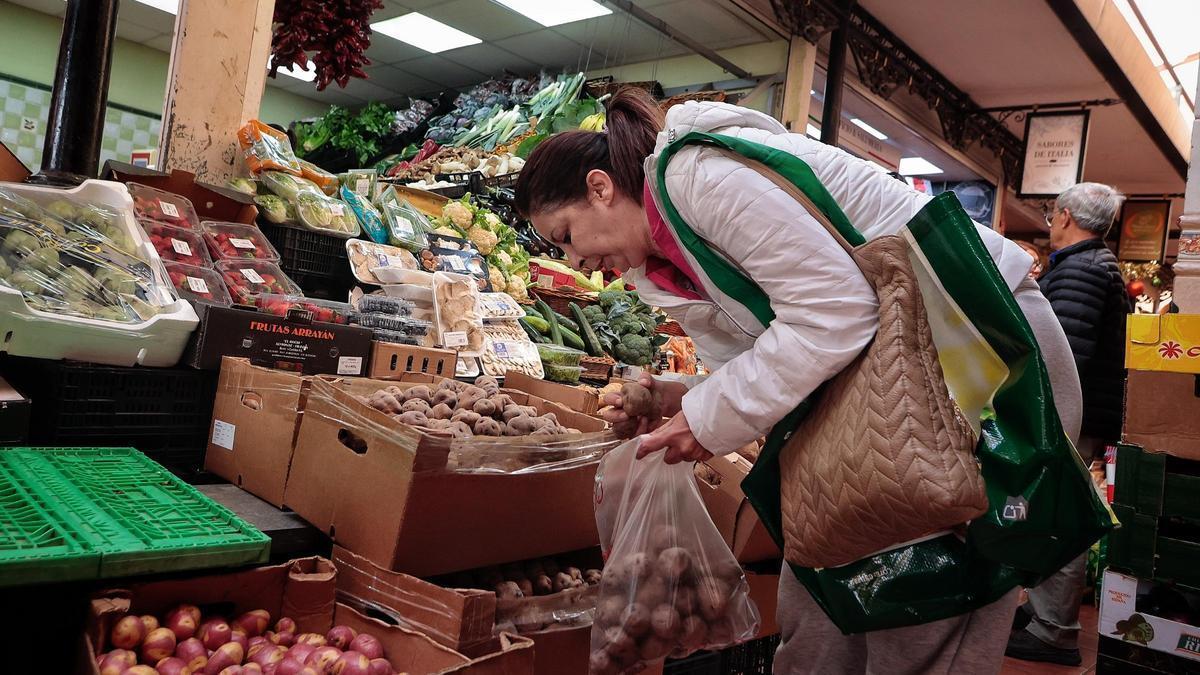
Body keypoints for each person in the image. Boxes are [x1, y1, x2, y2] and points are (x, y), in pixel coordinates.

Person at [514, 89, 1083, 674]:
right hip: (878, 378)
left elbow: (835, 312)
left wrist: (708, 419)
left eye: (564, 235)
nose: (574, 261)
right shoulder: (661, 265)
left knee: (924, 599)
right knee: (823, 578)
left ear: (600, 188)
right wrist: (678, 398)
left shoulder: (698, 179)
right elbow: (766, 353)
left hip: (972, 349)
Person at [1006, 182, 1129, 666]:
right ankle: (1042, 613)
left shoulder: (1080, 270)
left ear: (1064, 217)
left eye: (1053, 214)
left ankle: (1054, 629)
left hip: (1066, 414)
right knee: (1047, 511)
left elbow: (1063, 359)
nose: (1050, 222)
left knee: (1055, 514)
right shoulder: (1093, 265)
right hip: (1079, 413)